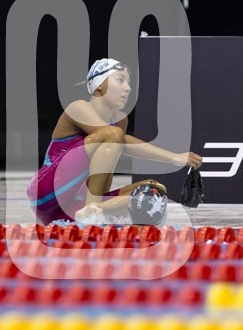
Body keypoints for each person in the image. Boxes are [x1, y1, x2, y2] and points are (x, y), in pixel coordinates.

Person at [27, 58, 202, 225]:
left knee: (153, 191)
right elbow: (119, 140)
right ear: (99, 84)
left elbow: (107, 167)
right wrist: (174, 158)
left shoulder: (120, 120)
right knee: (112, 134)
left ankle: (96, 210)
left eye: (129, 83)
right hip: (45, 194)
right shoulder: (78, 108)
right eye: (120, 80)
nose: (128, 88)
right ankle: (92, 211)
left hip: (74, 209)